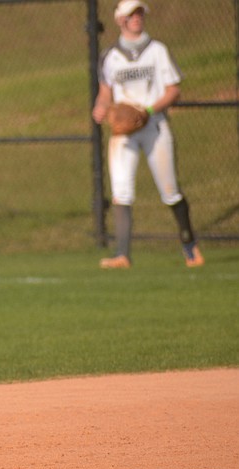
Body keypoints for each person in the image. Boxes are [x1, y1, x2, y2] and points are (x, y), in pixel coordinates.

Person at [92, 0, 204, 269]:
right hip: (124, 134)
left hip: (153, 126)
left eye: (140, 13)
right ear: (120, 20)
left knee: (170, 190)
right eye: (132, 15)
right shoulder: (110, 56)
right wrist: (100, 106)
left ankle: (190, 248)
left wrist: (149, 109)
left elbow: (173, 90)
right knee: (121, 190)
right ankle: (122, 255)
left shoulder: (157, 51)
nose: (137, 18)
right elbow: (106, 92)